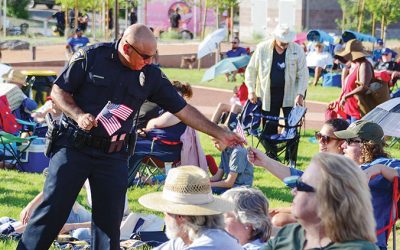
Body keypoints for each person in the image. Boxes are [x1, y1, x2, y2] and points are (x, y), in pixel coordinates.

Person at [17, 24, 244, 250]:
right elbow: (59, 91)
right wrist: (78, 115)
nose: (149, 62)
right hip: (74, 145)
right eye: (145, 56)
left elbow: (182, 109)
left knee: (109, 223)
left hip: (113, 155)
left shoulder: (150, 75)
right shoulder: (91, 56)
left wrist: (219, 132)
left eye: (153, 56)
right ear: (127, 48)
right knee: (53, 211)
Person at [263, 153, 379, 249]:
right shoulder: (290, 234)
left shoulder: (357, 248)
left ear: (330, 199)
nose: (293, 191)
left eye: (301, 185)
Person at [248, 118, 349, 227]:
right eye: (318, 136)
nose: (320, 142)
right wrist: (265, 161)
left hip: (328, 225)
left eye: (325, 139)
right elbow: (301, 179)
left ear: (342, 144)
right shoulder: (327, 165)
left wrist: (278, 211)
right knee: (261, 216)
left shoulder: (343, 170)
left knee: (276, 220)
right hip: (316, 216)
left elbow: (318, 207)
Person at [138, 165, 243, 250]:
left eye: (165, 211)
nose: (164, 217)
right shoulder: (188, 239)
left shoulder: (208, 245)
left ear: (180, 216)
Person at [245, 24, 308, 160]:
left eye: (287, 43)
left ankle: (291, 158)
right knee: (269, 127)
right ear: (275, 38)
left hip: (291, 95)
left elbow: (303, 74)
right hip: (267, 95)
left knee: (292, 127)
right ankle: (271, 156)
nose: (285, 45)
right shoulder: (262, 48)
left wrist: (300, 94)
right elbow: (251, 70)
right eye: (282, 43)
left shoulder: (297, 50)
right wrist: (251, 90)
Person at [334, 120, 400, 249]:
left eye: (348, 141)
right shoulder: (348, 168)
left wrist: (379, 169)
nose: (342, 146)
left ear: (365, 144)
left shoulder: (387, 164)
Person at [210, 125, 254, 194]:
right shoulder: (224, 151)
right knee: (203, 189)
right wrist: (203, 181)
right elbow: (218, 176)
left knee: (207, 190)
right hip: (231, 186)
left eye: (216, 142)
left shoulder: (237, 152)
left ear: (225, 139)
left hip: (241, 189)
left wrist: (208, 185)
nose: (214, 145)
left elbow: (229, 183)